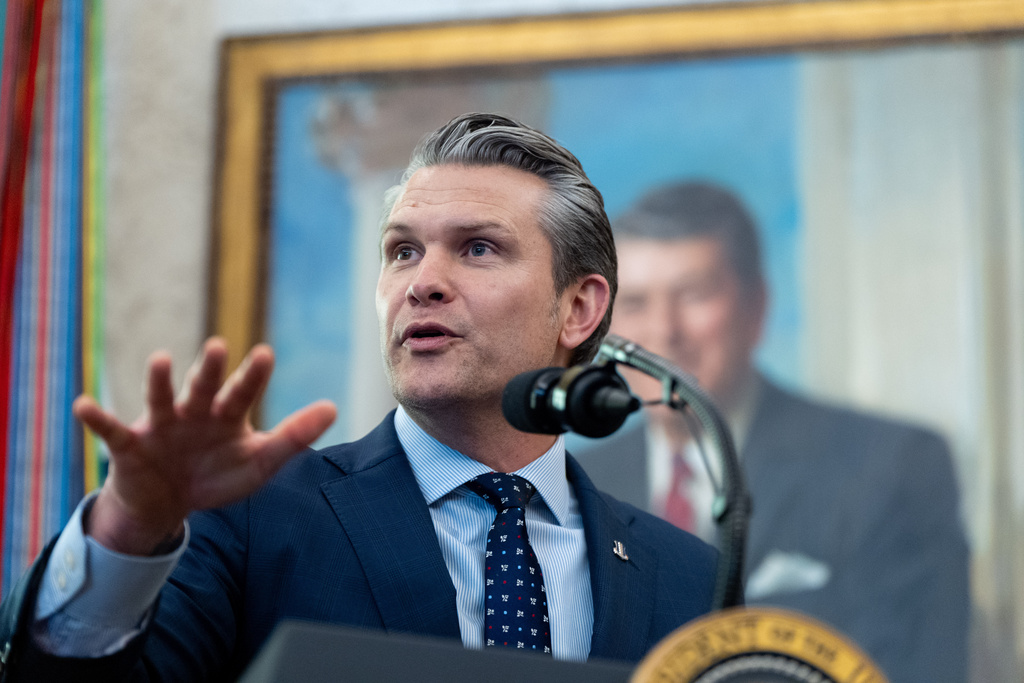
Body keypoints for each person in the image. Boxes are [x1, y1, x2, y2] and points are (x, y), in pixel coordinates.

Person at [0, 114, 717, 681]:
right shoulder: (249, 518)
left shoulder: (692, 580)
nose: (422, 283)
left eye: (477, 248)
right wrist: (127, 531)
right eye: (403, 251)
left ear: (580, 308)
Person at [577, 181, 970, 683]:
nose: (664, 331)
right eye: (634, 303)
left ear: (756, 308)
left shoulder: (892, 466)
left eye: (694, 295)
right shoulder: (582, 482)